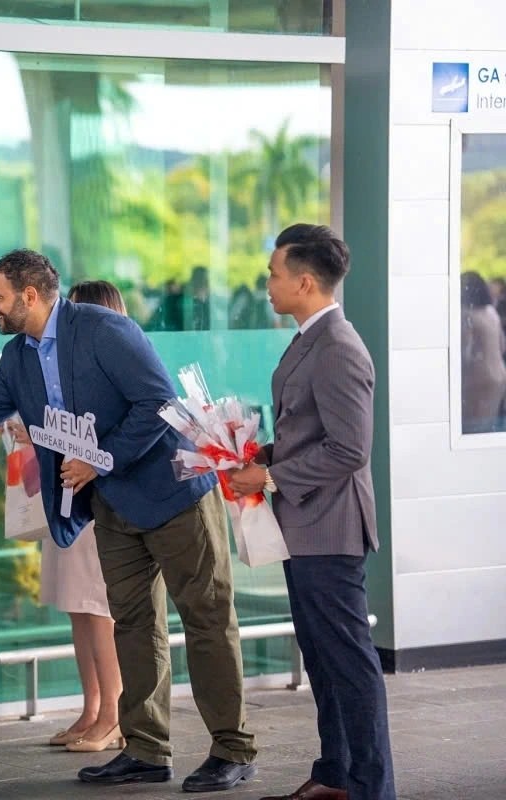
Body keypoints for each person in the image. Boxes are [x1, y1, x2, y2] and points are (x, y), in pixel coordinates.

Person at [0, 249, 257, 792]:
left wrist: (101, 459)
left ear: (30, 296)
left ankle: (232, 750)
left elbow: (158, 402)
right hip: (113, 505)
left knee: (206, 620)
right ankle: (146, 750)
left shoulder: (103, 330)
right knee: (132, 624)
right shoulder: (18, 356)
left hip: (172, 495)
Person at [230, 224, 395, 800]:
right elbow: (311, 430)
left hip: (330, 527)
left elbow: (350, 449)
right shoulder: (309, 339)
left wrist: (270, 476)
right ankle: (336, 776)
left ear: (304, 282)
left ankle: (372, 789)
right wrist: (264, 455)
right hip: (302, 525)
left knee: (349, 666)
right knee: (324, 662)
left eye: (274, 274)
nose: (267, 283)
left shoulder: (338, 347)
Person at [37, 280, 124, 753]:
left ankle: (114, 715)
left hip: (97, 506)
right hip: (68, 501)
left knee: (97, 609)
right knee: (78, 607)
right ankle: (92, 709)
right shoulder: (64, 368)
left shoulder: (116, 369)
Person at [458, 271, 506, 434]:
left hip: (479, 378)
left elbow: (465, 352)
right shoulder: (491, 312)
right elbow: (502, 346)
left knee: (473, 430)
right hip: (499, 375)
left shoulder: (467, 314)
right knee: (488, 427)